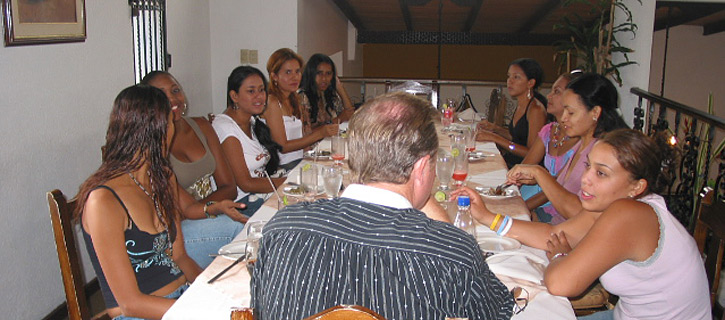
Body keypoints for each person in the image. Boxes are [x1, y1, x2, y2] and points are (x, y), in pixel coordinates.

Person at [251, 92, 514, 320]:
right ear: (423, 167)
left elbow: (259, 308)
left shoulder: (282, 228)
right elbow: (499, 311)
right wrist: (421, 192)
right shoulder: (451, 252)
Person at [454, 129, 711, 320]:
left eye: (601, 173)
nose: (585, 180)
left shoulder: (629, 214)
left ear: (637, 186)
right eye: (589, 166)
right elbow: (554, 234)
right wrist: (488, 217)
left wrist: (561, 256)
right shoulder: (622, 205)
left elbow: (560, 282)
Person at [76, 85, 202, 319]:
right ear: (156, 130)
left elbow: (180, 256)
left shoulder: (161, 177)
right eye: (171, 123)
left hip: (181, 299)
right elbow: (130, 304)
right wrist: (200, 312)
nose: (174, 129)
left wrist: (208, 291)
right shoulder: (103, 200)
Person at [141, 71, 245, 268]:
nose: (173, 98)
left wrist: (205, 211)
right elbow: (174, 214)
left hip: (206, 212)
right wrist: (199, 213)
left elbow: (229, 186)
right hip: (179, 228)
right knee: (242, 236)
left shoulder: (201, 125)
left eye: (175, 90)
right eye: (162, 95)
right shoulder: (152, 144)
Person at [508, 73, 629, 223]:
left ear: (595, 112)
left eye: (570, 112)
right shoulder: (581, 143)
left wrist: (538, 173)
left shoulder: (600, 153)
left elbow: (582, 215)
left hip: (565, 231)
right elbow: (559, 185)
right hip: (553, 223)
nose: (564, 118)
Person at [212, 66, 286, 216]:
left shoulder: (251, 121)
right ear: (234, 96)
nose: (259, 97)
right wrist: (290, 183)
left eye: (261, 90)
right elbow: (245, 183)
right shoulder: (226, 128)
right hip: (241, 204)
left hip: (259, 195)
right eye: (251, 91)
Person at [262, 48, 338, 170]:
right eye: (288, 72)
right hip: (283, 167)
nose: (295, 77)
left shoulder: (295, 98)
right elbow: (282, 146)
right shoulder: (272, 102)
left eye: (297, 72)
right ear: (274, 76)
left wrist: (313, 158)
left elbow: (303, 138)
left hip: (300, 160)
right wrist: (320, 133)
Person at [518, 71, 582, 205]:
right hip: (536, 193)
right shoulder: (550, 130)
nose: (549, 96)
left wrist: (523, 208)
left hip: (556, 203)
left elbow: (559, 185)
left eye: (557, 92)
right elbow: (525, 166)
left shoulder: (582, 141)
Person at [477, 58, 548, 168]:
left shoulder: (536, 110)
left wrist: (496, 138)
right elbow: (517, 137)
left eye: (516, 77)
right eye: (509, 76)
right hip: (511, 160)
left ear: (530, 83)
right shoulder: (522, 103)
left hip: (522, 168)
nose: (510, 81)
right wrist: (495, 128)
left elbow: (530, 153)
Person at [298, 53, 355, 129]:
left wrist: (340, 89)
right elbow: (306, 132)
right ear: (311, 74)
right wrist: (337, 120)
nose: (324, 78)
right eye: (319, 73)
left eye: (328, 74)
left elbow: (350, 115)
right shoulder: (303, 96)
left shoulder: (329, 93)